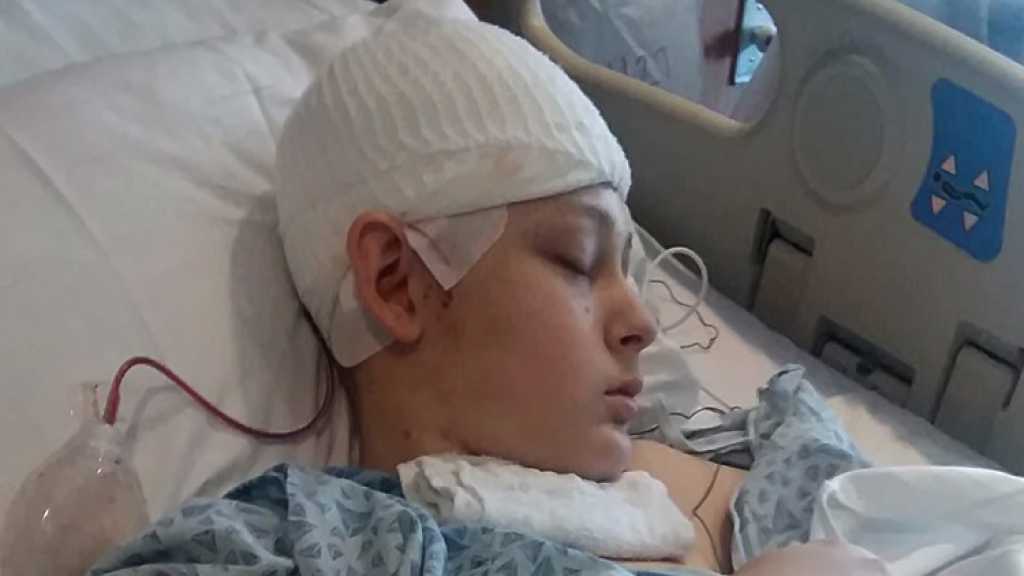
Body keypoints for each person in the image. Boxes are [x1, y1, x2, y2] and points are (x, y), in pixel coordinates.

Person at [89, 2, 887, 574]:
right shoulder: (321, 541)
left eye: (631, 270)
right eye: (577, 259)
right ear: (398, 282)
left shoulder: (768, 447)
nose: (642, 321)